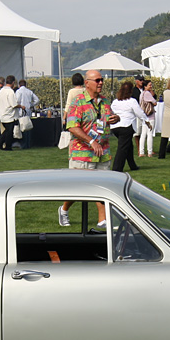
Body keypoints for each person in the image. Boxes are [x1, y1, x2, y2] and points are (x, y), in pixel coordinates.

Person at [58, 69, 118, 228]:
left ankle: (102, 220)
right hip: (82, 153)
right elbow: (71, 126)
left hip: (102, 153)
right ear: (87, 83)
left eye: (101, 80)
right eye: (97, 80)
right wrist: (91, 141)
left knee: (103, 187)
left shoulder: (105, 101)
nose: (101, 83)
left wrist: (115, 118)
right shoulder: (78, 102)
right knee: (77, 189)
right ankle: (63, 210)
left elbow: (109, 117)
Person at [110, 81, 148, 172]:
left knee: (128, 145)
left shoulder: (115, 101)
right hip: (126, 126)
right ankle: (117, 169)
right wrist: (146, 120)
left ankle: (132, 165)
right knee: (122, 148)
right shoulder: (132, 101)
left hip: (115, 127)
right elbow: (139, 112)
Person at [0, 75, 22, 151]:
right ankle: (6, 146)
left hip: (2, 113)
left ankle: (1, 143)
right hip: (9, 114)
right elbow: (13, 104)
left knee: (7, 131)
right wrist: (21, 106)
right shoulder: (10, 92)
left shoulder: (1, 91)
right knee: (9, 132)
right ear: (13, 82)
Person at [15, 79, 40, 149]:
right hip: (28, 111)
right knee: (28, 127)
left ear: (19, 85)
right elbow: (37, 100)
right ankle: (28, 144)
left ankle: (23, 144)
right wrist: (31, 104)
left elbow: (17, 101)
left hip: (21, 111)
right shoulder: (29, 92)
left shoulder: (18, 91)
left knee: (23, 127)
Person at [138, 79, 157, 158]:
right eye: (149, 85)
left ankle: (141, 151)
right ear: (145, 86)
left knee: (143, 134)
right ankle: (149, 151)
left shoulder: (142, 94)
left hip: (144, 116)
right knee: (149, 134)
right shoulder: (148, 94)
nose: (151, 86)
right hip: (150, 116)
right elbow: (155, 102)